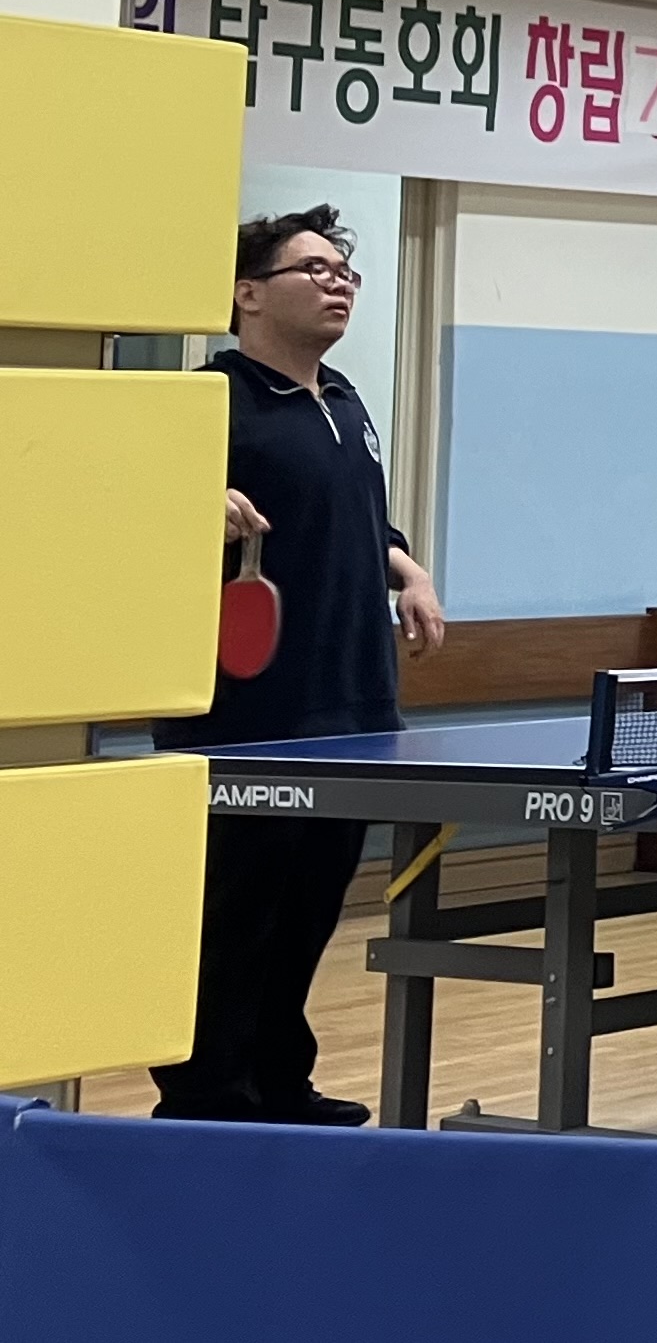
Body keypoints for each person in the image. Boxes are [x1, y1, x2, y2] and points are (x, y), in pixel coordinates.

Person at [152, 206, 447, 1125]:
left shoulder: (346, 401)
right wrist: (194, 502)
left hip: (354, 705)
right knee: (234, 913)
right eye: (313, 269)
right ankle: (205, 1093)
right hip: (249, 711)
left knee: (310, 908)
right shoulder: (209, 401)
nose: (337, 283)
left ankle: (280, 1080)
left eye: (344, 272)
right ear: (248, 294)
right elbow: (133, 512)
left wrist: (405, 566)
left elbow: (353, 517)